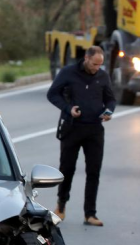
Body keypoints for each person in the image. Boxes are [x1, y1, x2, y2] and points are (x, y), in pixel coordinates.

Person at [47, 46, 116, 226]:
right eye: (94, 64)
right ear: (86, 58)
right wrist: (68, 108)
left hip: (95, 130)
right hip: (72, 128)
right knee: (67, 169)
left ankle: (90, 214)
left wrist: (109, 111)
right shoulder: (68, 73)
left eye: (100, 65)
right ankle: (61, 206)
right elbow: (52, 94)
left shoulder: (102, 76)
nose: (96, 68)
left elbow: (110, 98)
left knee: (94, 171)